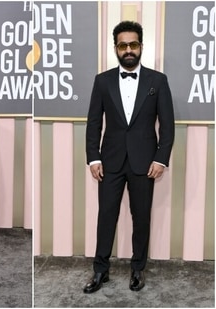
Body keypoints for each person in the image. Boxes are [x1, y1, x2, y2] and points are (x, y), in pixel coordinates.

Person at [84, 21, 174, 293]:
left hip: (145, 163)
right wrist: (93, 158)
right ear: (116, 48)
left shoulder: (157, 81)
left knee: (141, 217)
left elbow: (167, 125)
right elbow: (93, 123)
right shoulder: (102, 81)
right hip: (109, 162)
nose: (128, 50)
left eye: (133, 44)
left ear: (141, 46)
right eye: (123, 45)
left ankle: (137, 269)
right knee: (106, 217)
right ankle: (101, 271)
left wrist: (160, 159)